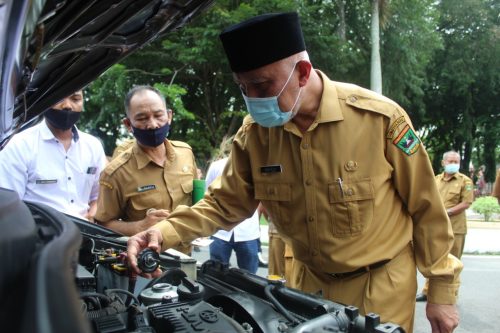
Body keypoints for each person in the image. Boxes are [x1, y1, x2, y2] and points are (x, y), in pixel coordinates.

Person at [127, 12, 462, 333]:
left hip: (380, 289)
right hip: (303, 291)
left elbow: (426, 208)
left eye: (260, 85)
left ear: (302, 72)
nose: (251, 99)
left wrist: (441, 294)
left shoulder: (380, 120)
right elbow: (224, 204)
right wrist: (164, 232)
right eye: (243, 87)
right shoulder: (254, 136)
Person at [94, 85, 198, 254]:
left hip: (187, 259)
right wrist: (140, 226)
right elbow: (103, 224)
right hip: (147, 263)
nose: (153, 124)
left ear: (169, 116)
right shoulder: (116, 173)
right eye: (142, 119)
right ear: (128, 124)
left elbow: (195, 202)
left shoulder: (185, 153)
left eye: (158, 115)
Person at [0, 90, 106, 220]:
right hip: (40, 235)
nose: (67, 106)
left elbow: (99, 196)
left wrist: (95, 210)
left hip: (88, 235)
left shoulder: (93, 146)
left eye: (76, 99)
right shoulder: (19, 145)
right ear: (45, 101)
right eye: (58, 98)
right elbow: (9, 205)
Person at [416, 151, 473, 302]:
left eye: (456, 161)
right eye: (451, 161)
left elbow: (466, 203)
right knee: (434, 260)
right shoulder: (435, 180)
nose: (454, 164)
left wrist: (446, 212)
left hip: (456, 228)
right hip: (436, 227)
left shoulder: (464, 181)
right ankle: (428, 292)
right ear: (443, 163)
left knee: (452, 262)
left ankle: (448, 297)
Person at [204, 137, 261, 273]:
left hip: (248, 231)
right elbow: (207, 194)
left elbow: (262, 196)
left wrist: (257, 217)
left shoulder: (255, 168)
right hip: (220, 230)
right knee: (216, 274)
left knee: (250, 275)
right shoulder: (217, 166)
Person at [258, 204, 293, 284]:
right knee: (276, 278)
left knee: (298, 278)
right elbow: (264, 205)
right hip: (277, 231)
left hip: (302, 234)